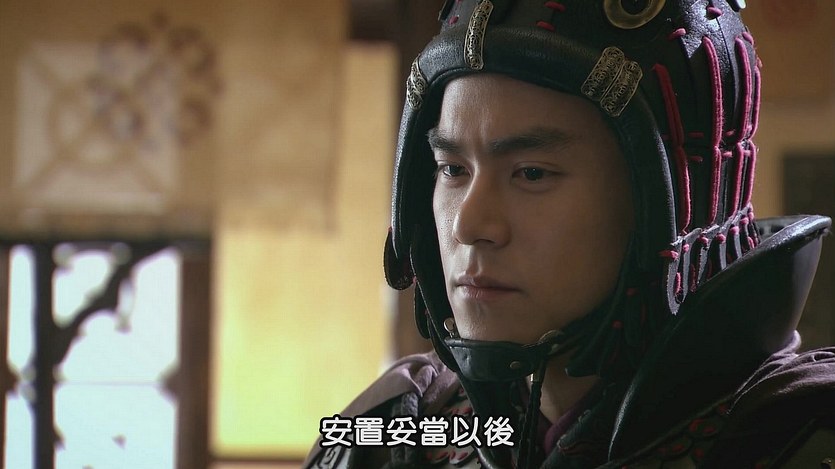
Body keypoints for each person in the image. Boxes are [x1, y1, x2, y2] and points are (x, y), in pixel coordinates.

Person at [305, 0, 835, 467]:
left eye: (532, 173)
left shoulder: (802, 441)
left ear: (673, 202)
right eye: (453, 170)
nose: (469, 225)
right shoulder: (395, 436)